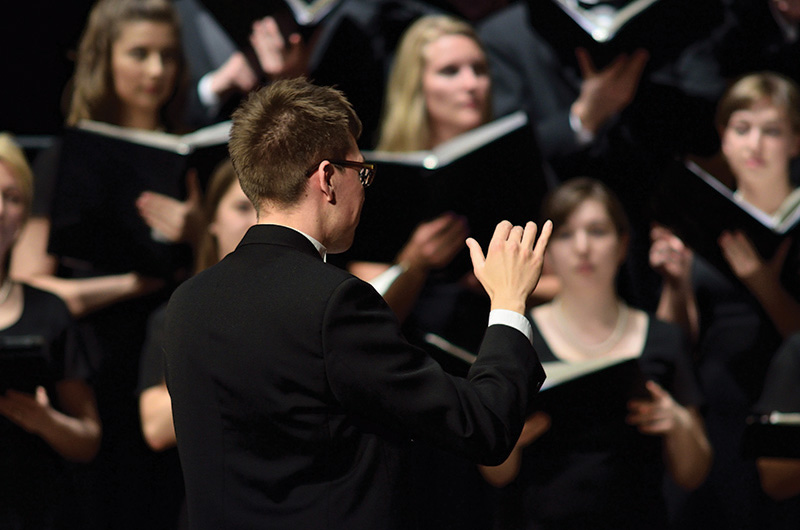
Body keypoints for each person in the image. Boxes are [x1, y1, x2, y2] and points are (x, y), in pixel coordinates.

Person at [163, 77, 552, 530]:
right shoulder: (334, 303)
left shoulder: (187, 302)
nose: (365, 189)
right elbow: (483, 426)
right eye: (361, 172)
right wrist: (508, 303)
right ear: (327, 179)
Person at [10, 1, 201, 527]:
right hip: (95, 359)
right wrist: (133, 283)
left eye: (167, 56)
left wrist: (197, 230)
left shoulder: (195, 158)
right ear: (106, 59)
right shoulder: (67, 159)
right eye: (139, 54)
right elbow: (32, 287)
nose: (156, 71)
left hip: (168, 359)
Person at [479, 177, 711, 529]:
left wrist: (676, 422)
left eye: (598, 231)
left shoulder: (664, 338)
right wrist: (509, 440)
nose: (583, 247)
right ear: (548, 253)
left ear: (622, 245)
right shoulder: (517, 338)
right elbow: (496, 475)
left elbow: (693, 475)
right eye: (567, 234)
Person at [651, 71, 800, 529]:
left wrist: (762, 282)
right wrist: (674, 283)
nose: (755, 144)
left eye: (772, 131)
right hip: (718, 408)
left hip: (784, 408)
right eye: (742, 128)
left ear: (795, 141)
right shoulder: (706, 214)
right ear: (724, 137)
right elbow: (677, 338)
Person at [137, 158, 257, 529]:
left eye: (268, 209)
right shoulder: (180, 313)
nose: (258, 223)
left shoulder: (314, 306)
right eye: (242, 207)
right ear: (212, 223)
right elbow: (156, 425)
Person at [0, 132, 102, 529]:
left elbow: (89, 439)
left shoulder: (48, 312)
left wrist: (45, 421)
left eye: (13, 198)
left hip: (35, 510)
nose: (0, 210)